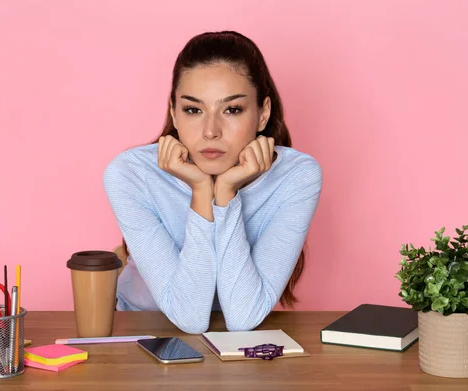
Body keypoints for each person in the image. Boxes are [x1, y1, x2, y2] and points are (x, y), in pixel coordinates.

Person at [103, 31, 322, 334]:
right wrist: (202, 190)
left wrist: (225, 193)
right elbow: (189, 318)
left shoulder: (297, 176)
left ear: (262, 114)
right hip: (139, 333)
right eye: (193, 110)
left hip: (236, 347)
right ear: (174, 113)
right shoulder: (131, 174)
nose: (210, 131)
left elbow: (243, 318)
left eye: (232, 110)